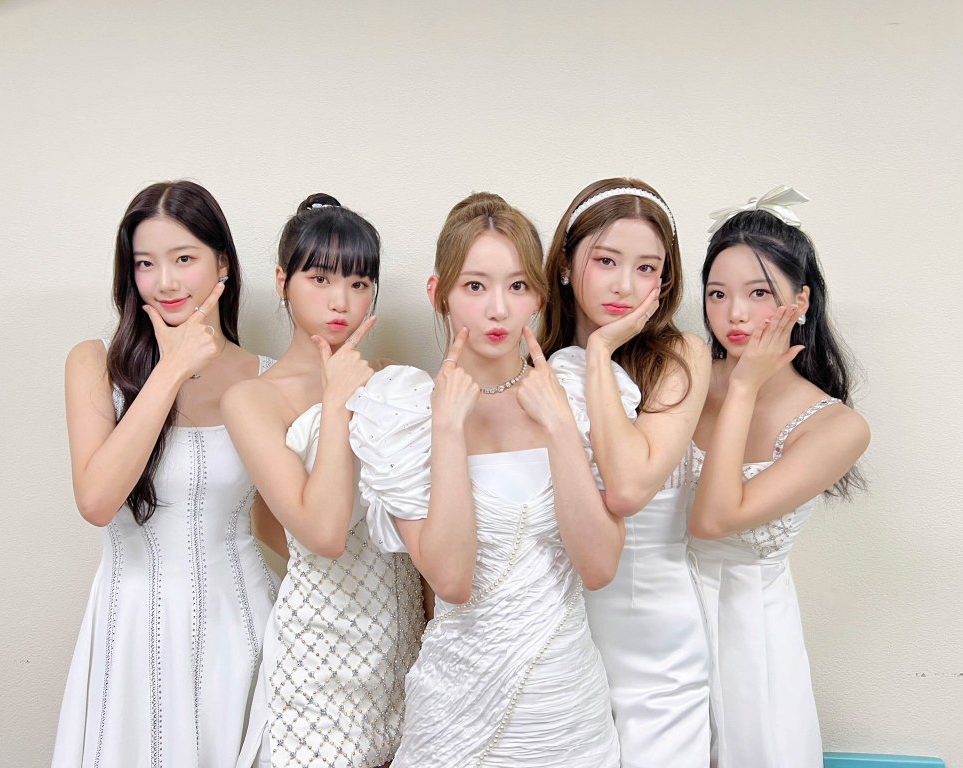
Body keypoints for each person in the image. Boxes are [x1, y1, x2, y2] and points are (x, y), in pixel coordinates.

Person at [347, 192, 623, 767]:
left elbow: (598, 567)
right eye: (475, 286)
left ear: (539, 297)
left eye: (517, 286)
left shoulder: (578, 394)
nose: (498, 309)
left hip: (567, 708)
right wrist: (447, 429)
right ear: (439, 293)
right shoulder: (402, 413)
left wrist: (559, 427)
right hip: (456, 709)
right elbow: (451, 580)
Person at [53, 180, 279, 767]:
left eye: (184, 259)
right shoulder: (94, 363)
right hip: (133, 628)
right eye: (145, 264)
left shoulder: (268, 379)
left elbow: (284, 525)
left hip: (242, 626)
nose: (166, 282)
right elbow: (97, 500)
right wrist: (171, 369)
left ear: (222, 263)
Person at [222, 194, 425, 768]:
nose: (341, 300)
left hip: (401, 635)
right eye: (320, 279)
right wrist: (336, 400)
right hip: (320, 647)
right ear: (282, 282)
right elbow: (322, 533)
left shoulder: (393, 382)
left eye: (359, 283)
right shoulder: (253, 399)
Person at [687, 187, 870, 767]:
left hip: (752, 646)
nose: (735, 314)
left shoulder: (836, 427)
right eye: (718, 294)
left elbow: (715, 519)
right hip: (655, 621)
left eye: (759, 293)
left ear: (802, 300)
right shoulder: (680, 375)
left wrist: (742, 387)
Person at [540, 178, 712, 767]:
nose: (624, 285)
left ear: (664, 281)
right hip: (557, 632)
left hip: (657, 646)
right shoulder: (530, 365)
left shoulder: (680, 356)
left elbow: (628, 486)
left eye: (646, 269)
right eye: (606, 261)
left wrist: (598, 353)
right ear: (566, 265)